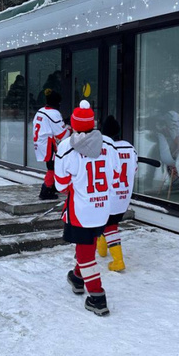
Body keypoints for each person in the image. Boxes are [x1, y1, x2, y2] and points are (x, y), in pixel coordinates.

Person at [55, 100, 121, 317]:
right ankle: (77, 276)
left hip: (80, 210)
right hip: (102, 208)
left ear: (72, 125)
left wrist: (77, 182)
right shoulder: (109, 144)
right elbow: (117, 174)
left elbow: (61, 185)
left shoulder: (66, 147)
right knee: (88, 244)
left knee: (85, 254)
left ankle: (97, 297)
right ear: (93, 123)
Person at [96, 115, 137, 272]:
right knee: (108, 223)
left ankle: (118, 260)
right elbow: (134, 169)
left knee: (109, 226)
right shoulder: (130, 147)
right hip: (124, 195)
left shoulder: (106, 149)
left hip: (109, 195)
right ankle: (102, 248)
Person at [33, 89, 70, 200]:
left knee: (52, 165)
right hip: (48, 144)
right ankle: (45, 190)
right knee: (52, 167)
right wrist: (69, 127)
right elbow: (61, 134)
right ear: (56, 102)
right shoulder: (54, 113)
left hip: (40, 143)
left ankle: (52, 186)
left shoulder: (41, 111)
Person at [156, 110, 179, 192]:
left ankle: (175, 183)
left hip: (172, 148)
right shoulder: (176, 125)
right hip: (171, 147)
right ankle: (175, 182)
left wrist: (176, 149)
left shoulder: (173, 126)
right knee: (170, 165)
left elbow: (176, 139)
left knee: (170, 165)